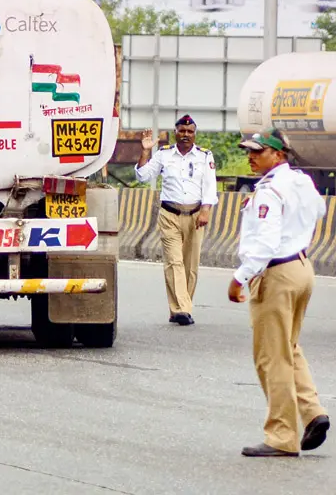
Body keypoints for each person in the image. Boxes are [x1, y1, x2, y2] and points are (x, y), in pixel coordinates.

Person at [230, 129, 329, 457]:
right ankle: (312, 412)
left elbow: (266, 243)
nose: (251, 156)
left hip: (276, 272)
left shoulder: (269, 191)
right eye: (249, 151)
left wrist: (240, 278)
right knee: (289, 347)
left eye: (258, 152)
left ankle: (282, 436)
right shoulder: (301, 182)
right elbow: (320, 212)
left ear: (279, 155)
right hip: (302, 268)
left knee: (271, 357)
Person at [134, 114, 218, 325]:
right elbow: (142, 176)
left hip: (196, 215)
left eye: (190, 132)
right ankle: (182, 309)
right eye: (182, 131)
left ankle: (179, 307)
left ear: (195, 134)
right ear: (175, 133)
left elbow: (210, 186)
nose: (185, 135)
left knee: (190, 266)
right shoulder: (164, 155)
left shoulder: (204, 156)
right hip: (169, 215)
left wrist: (206, 210)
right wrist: (145, 152)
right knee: (174, 261)